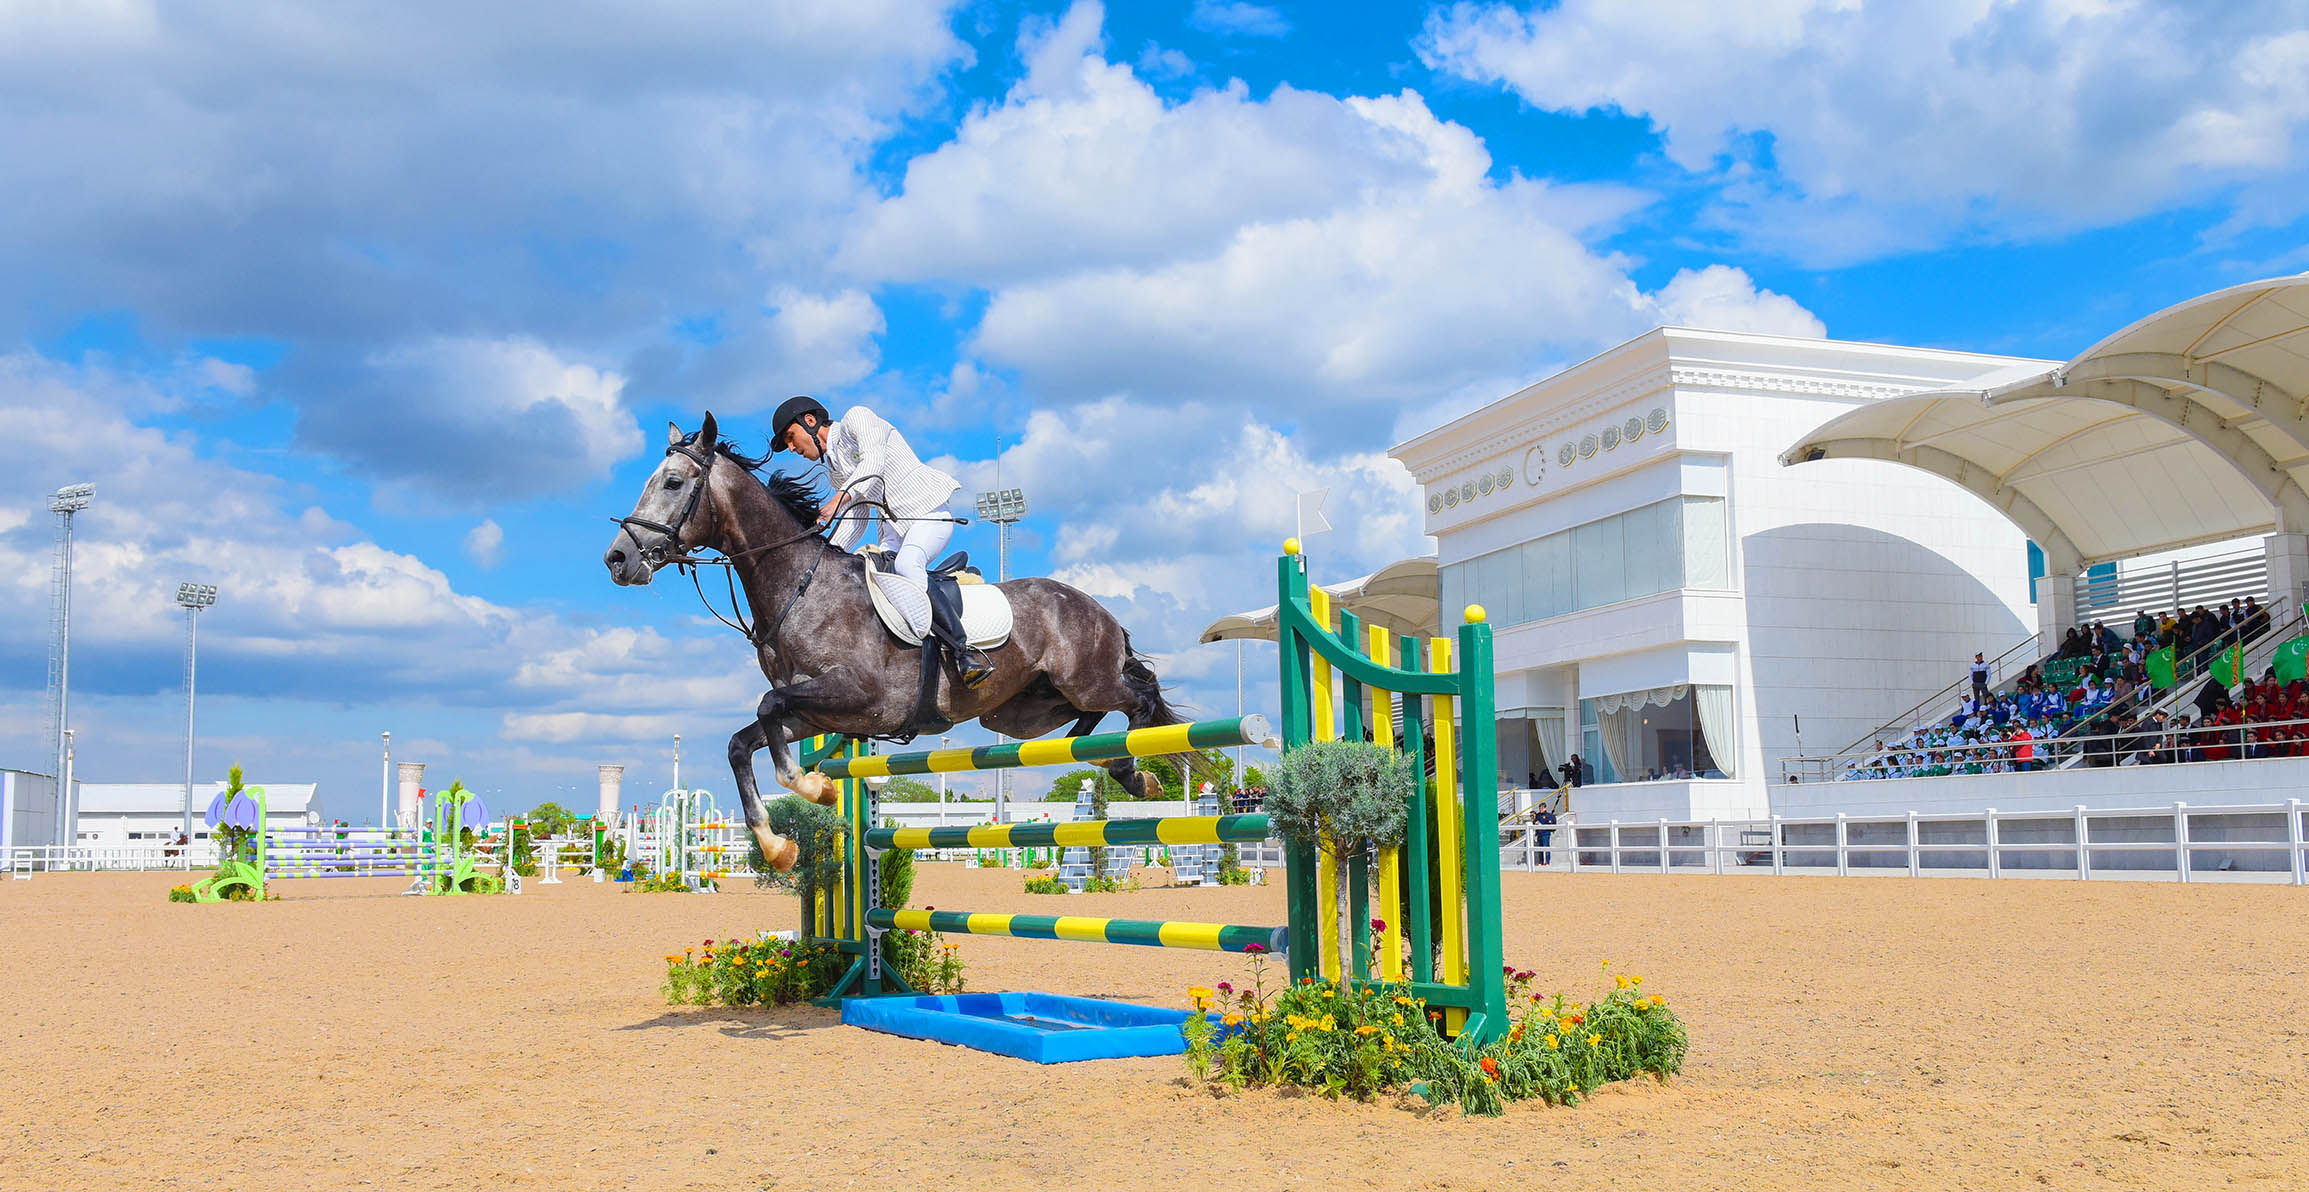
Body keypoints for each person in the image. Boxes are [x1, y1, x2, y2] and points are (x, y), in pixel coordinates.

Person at [772, 396, 992, 687]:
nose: (792, 448)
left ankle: (965, 653)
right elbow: (858, 515)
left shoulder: (856, 418)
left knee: (907, 565)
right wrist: (824, 554)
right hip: (893, 531)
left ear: (809, 421)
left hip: (928, 515)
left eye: (791, 437)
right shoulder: (836, 468)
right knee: (868, 579)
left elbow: (873, 464)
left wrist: (840, 497)